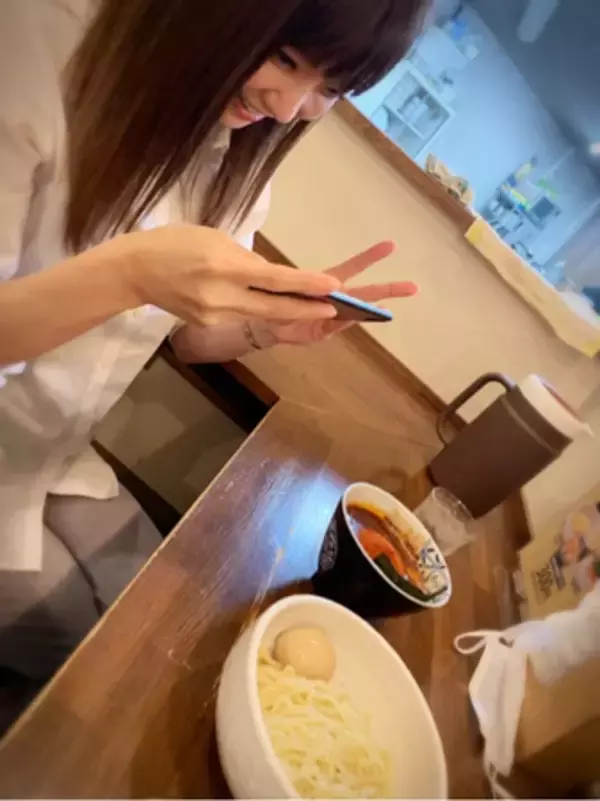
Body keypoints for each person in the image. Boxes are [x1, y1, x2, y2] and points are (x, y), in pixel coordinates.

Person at [0, 0, 427, 684]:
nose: (287, 108)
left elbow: (190, 338)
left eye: (328, 89)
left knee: (177, 622)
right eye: (285, 59)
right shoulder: (34, 54)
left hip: (51, 459)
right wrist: (131, 273)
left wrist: (264, 327)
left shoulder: (233, 151)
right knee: (101, 671)